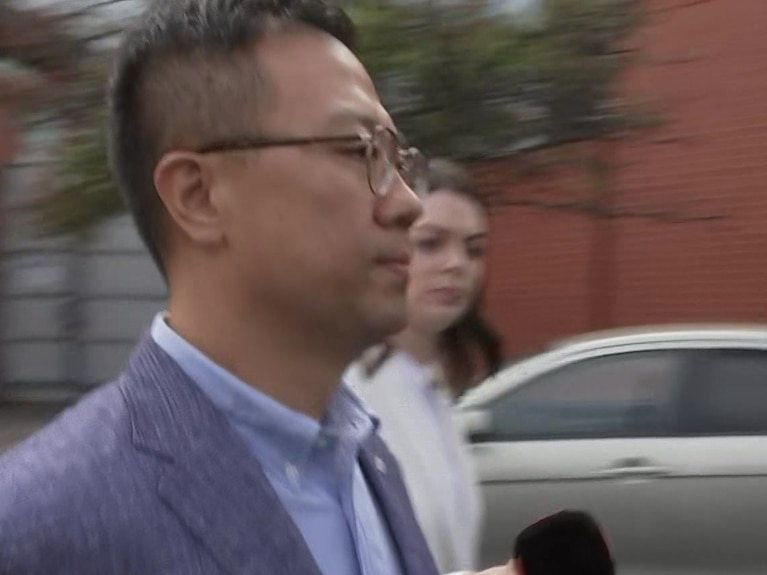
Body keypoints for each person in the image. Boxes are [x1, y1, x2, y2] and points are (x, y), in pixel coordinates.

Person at [0, 1, 514, 574]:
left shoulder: (367, 454)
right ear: (198, 196)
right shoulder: (42, 524)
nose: (407, 204)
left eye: (396, 159)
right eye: (357, 151)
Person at [347, 158, 504, 574]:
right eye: (431, 243)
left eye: (474, 249)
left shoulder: (435, 391)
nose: (457, 265)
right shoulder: (348, 392)